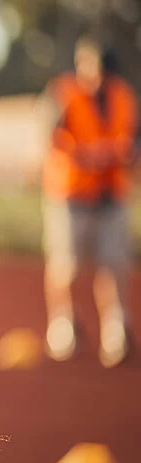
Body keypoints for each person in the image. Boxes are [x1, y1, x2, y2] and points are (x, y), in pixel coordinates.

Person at [41, 37, 138, 367]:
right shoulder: (64, 94)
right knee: (65, 265)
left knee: (114, 264)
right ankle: (63, 324)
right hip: (71, 194)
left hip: (111, 194)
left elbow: (134, 139)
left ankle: (116, 330)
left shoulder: (123, 96)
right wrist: (88, 155)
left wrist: (123, 155)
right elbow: (50, 137)